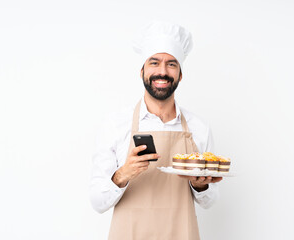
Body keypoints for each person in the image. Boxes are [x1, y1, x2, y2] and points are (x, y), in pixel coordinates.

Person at [90, 21, 222, 240]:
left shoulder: (199, 127)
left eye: (171, 64)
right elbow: (97, 202)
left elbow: (212, 200)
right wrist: (123, 174)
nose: (162, 71)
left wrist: (201, 186)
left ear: (180, 74)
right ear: (142, 71)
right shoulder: (116, 124)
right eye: (154, 62)